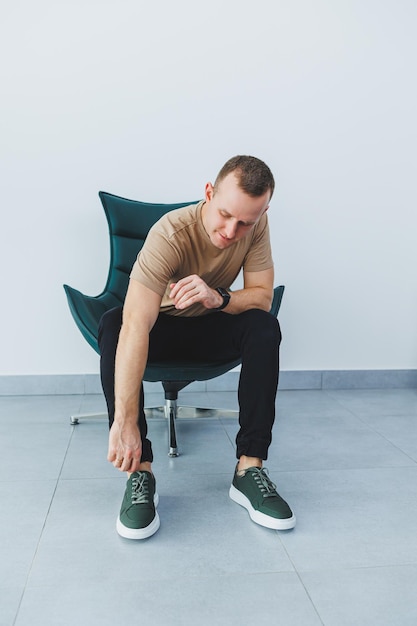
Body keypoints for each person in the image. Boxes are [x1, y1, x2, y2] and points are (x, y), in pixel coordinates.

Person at [98, 155, 296, 539]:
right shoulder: (170, 234)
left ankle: (249, 468)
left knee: (263, 326)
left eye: (245, 222)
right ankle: (140, 474)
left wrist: (218, 298)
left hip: (211, 324)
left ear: (263, 211)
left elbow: (261, 297)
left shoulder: (256, 226)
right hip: (162, 328)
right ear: (208, 192)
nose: (231, 229)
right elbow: (138, 323)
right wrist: (124, 420)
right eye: (225, 215)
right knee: (115, 323)